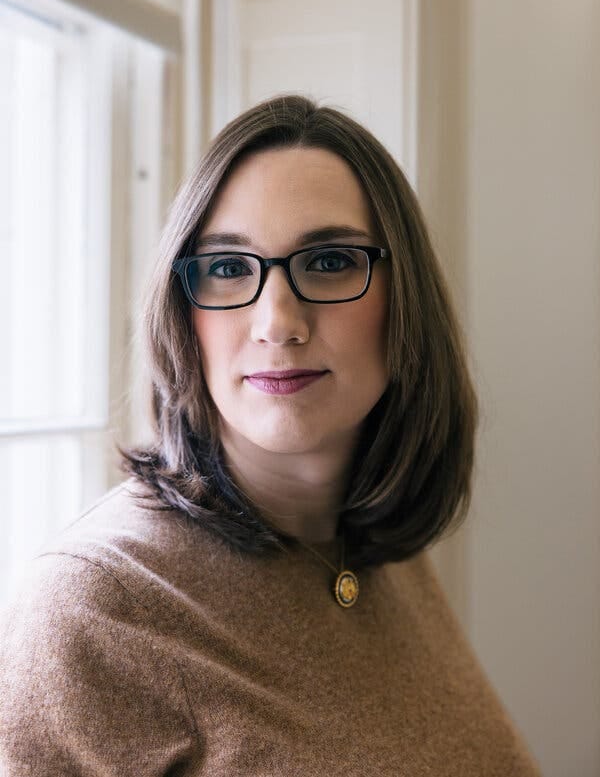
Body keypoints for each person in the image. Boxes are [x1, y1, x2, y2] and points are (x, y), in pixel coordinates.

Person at [0, 95, 541, 775]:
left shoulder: (376, 548)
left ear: (406, 298)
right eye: (229, 268)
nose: (278, 322)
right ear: (181, 311)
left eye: (330, 261)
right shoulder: (98, 606)